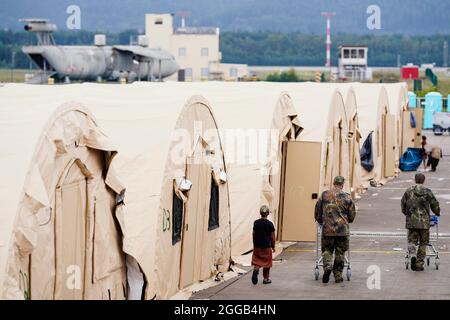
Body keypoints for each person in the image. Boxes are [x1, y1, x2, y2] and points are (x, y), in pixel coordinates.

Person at [314, 176, 356, 284]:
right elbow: (351, 216)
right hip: (342, 230)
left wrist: (320, 221)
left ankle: (327, 266)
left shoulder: (324, 195)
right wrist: (346, 221)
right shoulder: (347, 197)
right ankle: (338, 275)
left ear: (333, 183)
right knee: (340, 252)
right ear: (342, 185)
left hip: (327, 229)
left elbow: (317, 212)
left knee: (327, 250)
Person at [401, 173, 440, 271]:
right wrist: (437, 212)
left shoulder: (408, 191)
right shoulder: (428, 192)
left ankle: (413, 254)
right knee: (423, 243)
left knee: (412, 241)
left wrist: (407, 214)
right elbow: (434, 205)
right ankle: (419, 264)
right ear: (424, 180)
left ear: (415, 180)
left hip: (412, 222)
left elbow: (403, 204)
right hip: (424, 223)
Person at [251, 205, 276, 285]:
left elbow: (254, 234)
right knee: (267, 263)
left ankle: (256, 269)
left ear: (260, 213)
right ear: (268, 213)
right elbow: (272, 236)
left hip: (257, 247)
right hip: (266, 247)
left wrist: (254, 245)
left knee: (257, 261)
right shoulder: (270, 224)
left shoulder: (256, 223)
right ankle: (266, 279)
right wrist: (273, 246)